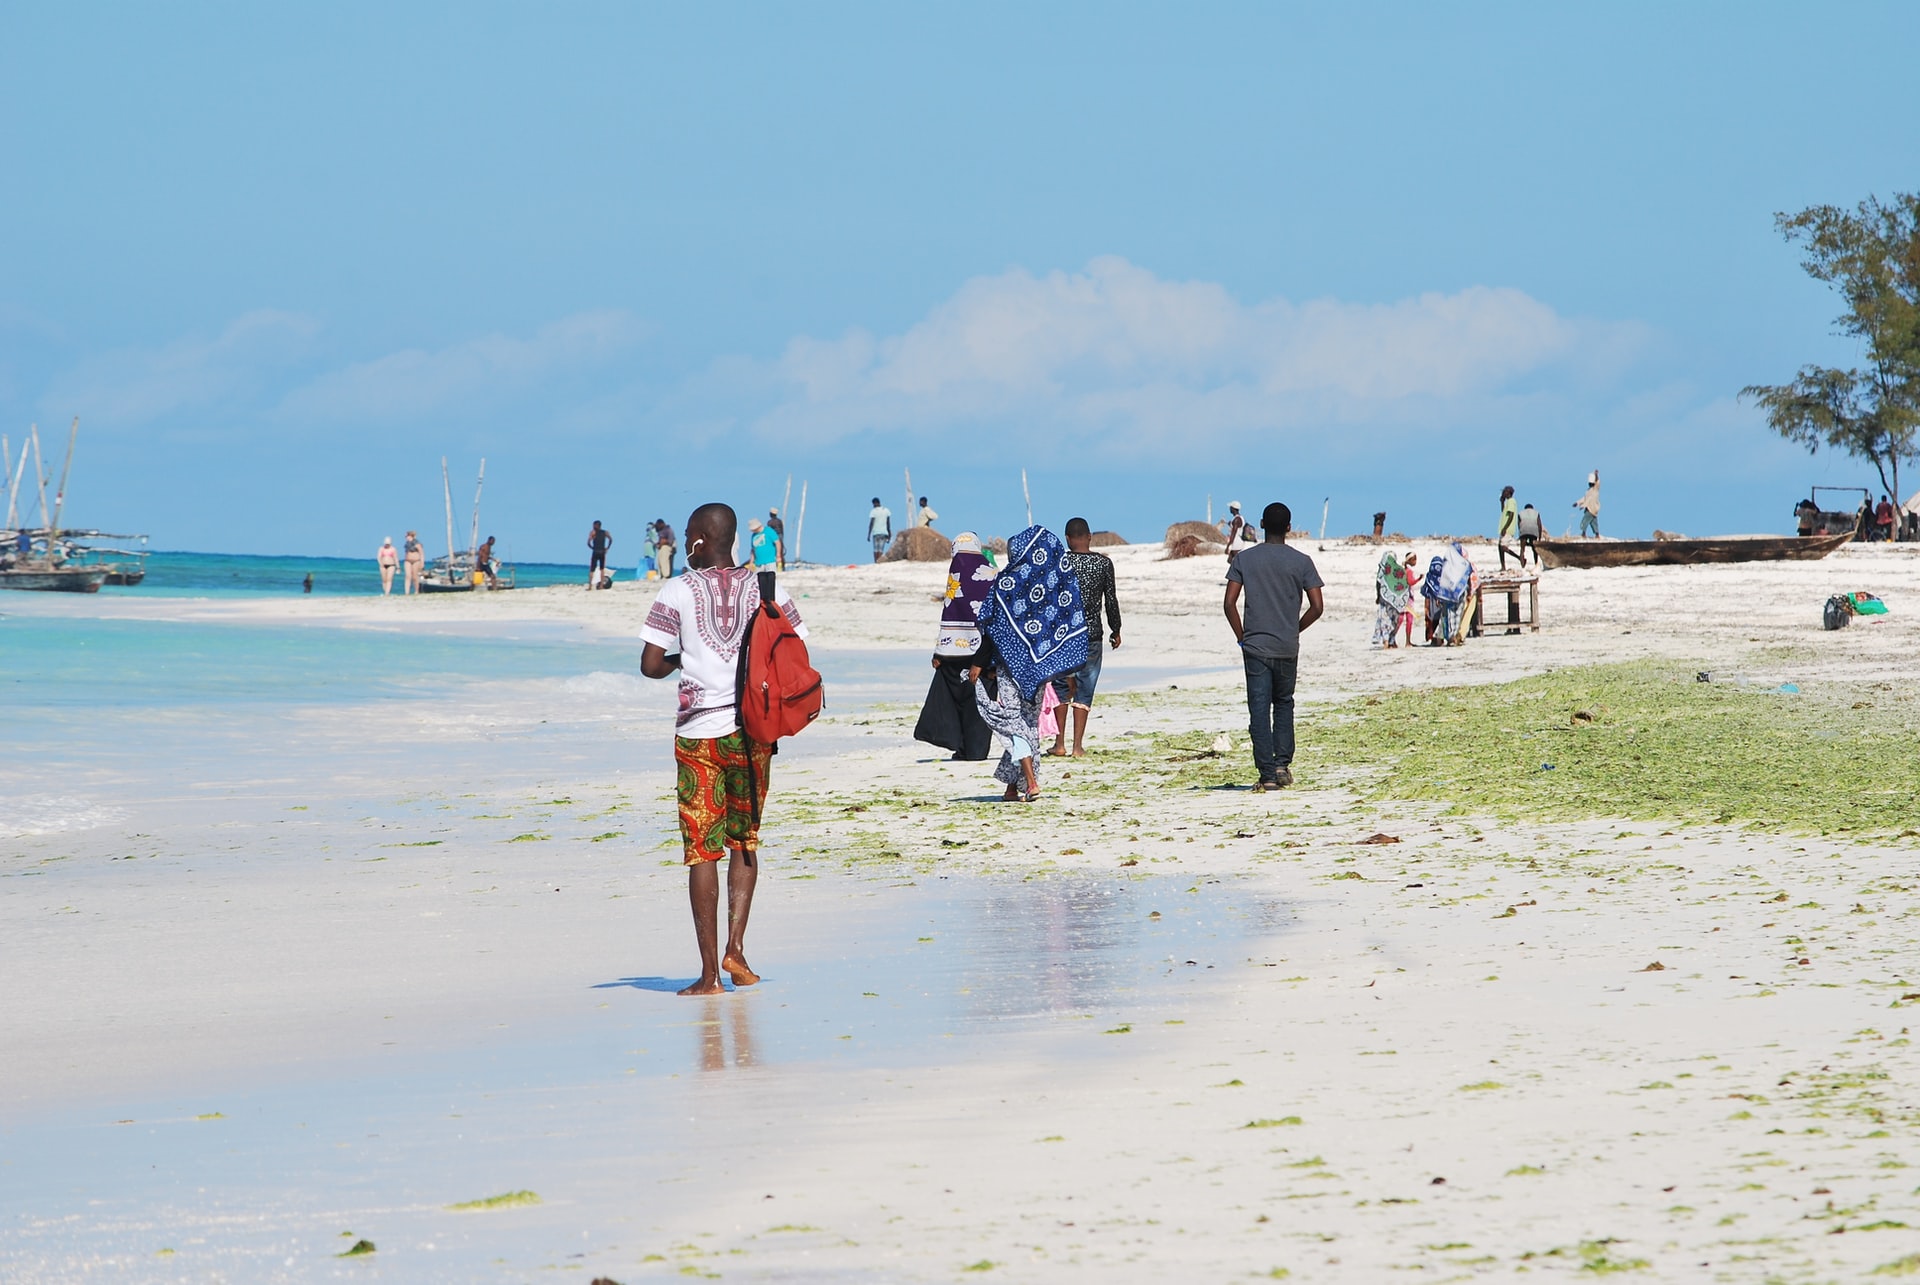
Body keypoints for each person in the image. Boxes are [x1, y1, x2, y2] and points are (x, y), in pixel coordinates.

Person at [638, 503, 806, 997]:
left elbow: (649, 664)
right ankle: (736, 946)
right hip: (753, 731)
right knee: (744, 840)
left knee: (701, 850)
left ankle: (710, 974)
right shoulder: (769, 587)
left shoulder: (677, 589)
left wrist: (682, 660)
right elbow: (796, 648)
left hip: (698, 734)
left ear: (696, 540)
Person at [969, 525, 1087, 802]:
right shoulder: (1052, 584)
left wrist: (978, 663)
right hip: (1038, 672)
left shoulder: (1007, 584)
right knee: (1025, 725)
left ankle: (1031, 783)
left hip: (1010, 671)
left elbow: (994, 627)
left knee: (1014, 725)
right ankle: (1012, 787)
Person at [1223, 502, 1324, 791]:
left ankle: (1267, 775)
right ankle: (1281, 765)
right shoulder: (1302, 561)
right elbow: (1317, 607)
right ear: (1289, 527)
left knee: (1258, 709)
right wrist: (1295, 628)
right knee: (1283, 704)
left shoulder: (1245, 559)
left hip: (1255, 646)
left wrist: (1242, 637)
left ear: (1262, 526)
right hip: (1286, 646)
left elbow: (1229, 604)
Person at [913, 532, 996, 761]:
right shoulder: (992, 573)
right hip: (985, 650)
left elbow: (950, 611)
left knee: (956, 698)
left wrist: (941, 650)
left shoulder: (957, 570)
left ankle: (963, 747)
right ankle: (974, 750)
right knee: (979, 700)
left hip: (957, 652)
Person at [1047, 517, 1122, 757]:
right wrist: (1116, 629)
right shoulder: (1103, 563)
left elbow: (1049, 601)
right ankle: (1077, 747)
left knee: (1060, 687)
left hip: (1063, 635)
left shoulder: (1058, 563)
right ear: (1089, 537)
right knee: (1084, 688)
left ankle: (1059, 744)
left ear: (1067, 539)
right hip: (1092, 635)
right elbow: (1110, 600)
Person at [1372, 551, 1411, 649]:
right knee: (1394, 620)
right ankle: (1392, 641)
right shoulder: (1400, 570)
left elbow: (1378, 584)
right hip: (1396, 602)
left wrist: (1378, 597)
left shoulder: (1382, 570)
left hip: (1384, 600)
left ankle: (1386, 641)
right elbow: (1405, 585)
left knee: (1385, 620)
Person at [1496, 485, 1520, 569]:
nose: (1503, 493)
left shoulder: (1511, 501)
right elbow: (1503, 512)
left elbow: (1511, 515)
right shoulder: (1507, 502)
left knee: (1503, 547)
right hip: (1504, 528)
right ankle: (1503, 566)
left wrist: (1505, 528)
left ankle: (1520, 558)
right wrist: (1502, 502)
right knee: (1500, 547)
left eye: (1504, 492)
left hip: (1508, 529)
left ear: (1509, 493)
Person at [1574, 470, 1601, 538]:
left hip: (1592, 508)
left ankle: (1583, 533)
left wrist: (1596, 475)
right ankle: (1597, 534)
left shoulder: (1595, 490)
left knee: (1585, 521)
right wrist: (1577, 503)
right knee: (1593, 522)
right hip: (1589, 509)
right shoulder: (1588, 491)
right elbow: (1584, 499)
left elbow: (1597, 482)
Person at [587, 520, 613, 590]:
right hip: (602, 552)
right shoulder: (605, 532)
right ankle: (601, 586)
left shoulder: (593, 532)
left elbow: (588, 542)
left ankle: (590, 586)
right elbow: (610, 539)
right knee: (602, 569)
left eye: (594, 525)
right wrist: (607, 548)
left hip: (596, 552)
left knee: (592, 569)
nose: (593, 527)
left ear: (597, 526)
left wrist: (592, 547)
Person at [868, 498, 893, 562]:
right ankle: (879, 561)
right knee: (881, 549)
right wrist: (889, 533)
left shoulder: (873, 511)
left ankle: (876, 561)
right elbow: (888, 523)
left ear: (875, 503)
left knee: (875, 549)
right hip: (884, 532)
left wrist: (869, 534)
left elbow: (871, 523)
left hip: (876, 532)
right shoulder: (886, 510)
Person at [403, 530, 424, 594]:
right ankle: (407, 592)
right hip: (407, 561)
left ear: (410, 536)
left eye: (407, 536)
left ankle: (416, 590)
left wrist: (422, 563)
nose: (406, 537)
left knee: (415, 576)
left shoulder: (417, 543)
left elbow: (421, 553)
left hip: (416, 561)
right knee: (408, 576)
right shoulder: (407, 543)